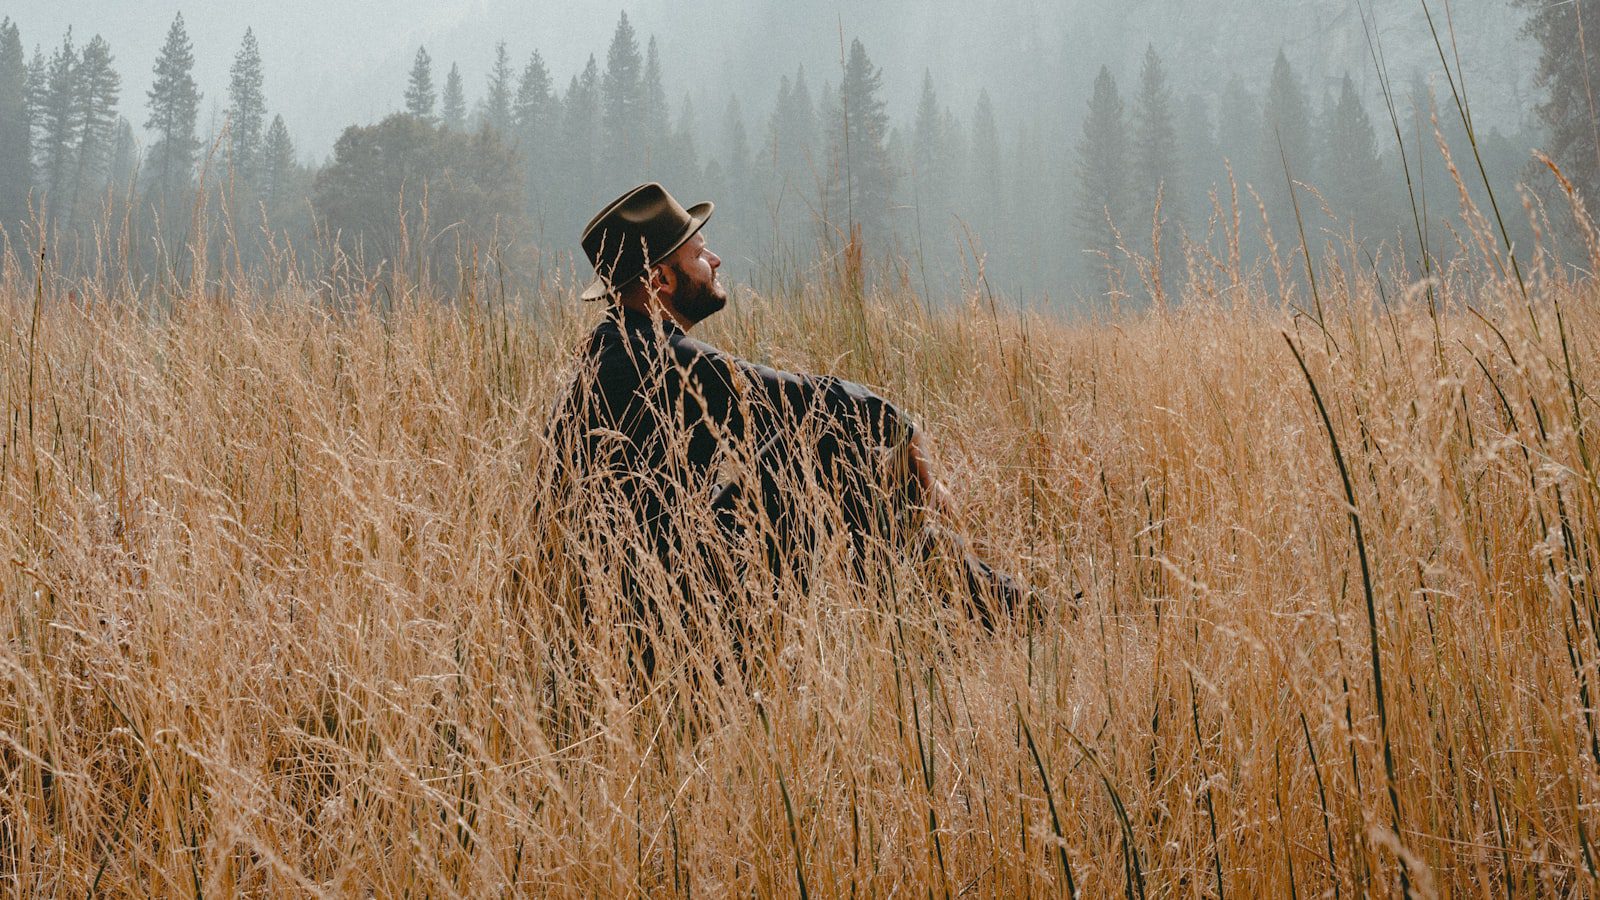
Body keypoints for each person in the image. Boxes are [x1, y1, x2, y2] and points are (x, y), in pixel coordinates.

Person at [548, 183, 1027, 673]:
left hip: (636, 601)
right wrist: (912, 445)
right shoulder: (663, 358)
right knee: (826, 442)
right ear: (661, 279)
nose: (714, 260)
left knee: (820, 450)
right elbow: (819, 400)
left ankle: (966, 614)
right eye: (698, 254)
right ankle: (984, 615)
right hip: (671, 617)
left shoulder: (611, 349)